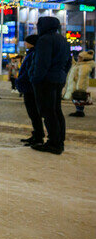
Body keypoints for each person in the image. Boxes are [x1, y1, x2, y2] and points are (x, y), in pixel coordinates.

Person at [29, 16, 70, 154]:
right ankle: (59, 141)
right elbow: (68, 61)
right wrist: (62, 74)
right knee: (56, 110)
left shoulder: (45, 39)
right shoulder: (62, 39)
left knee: (48, 111)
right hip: (58, 79)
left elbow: (42, 62)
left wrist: (36, 78)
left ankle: (53, 143)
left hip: (46, 80)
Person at [15, 34, 44, 147]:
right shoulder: (32, 52)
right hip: (29, 86)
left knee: (34, 112)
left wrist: (19, 81)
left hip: (30, 87)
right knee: (33, 113)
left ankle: (38, 137)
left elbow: (29, 71)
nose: (25, 43)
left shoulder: (33, 54)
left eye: (26, 41)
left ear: (31, 43)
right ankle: (37, 134)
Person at [64, 49, 94, 118]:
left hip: (79, 85)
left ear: (84, 58)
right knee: (76, 98)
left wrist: (79, 88)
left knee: (79, 98)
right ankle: (79, 110)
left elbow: (82, 78)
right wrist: (71, 58)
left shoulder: (84, 67)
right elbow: (74, 64)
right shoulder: (81, 64)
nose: (78, 58)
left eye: (79, 57)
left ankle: (80, 111)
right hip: (75, 84)